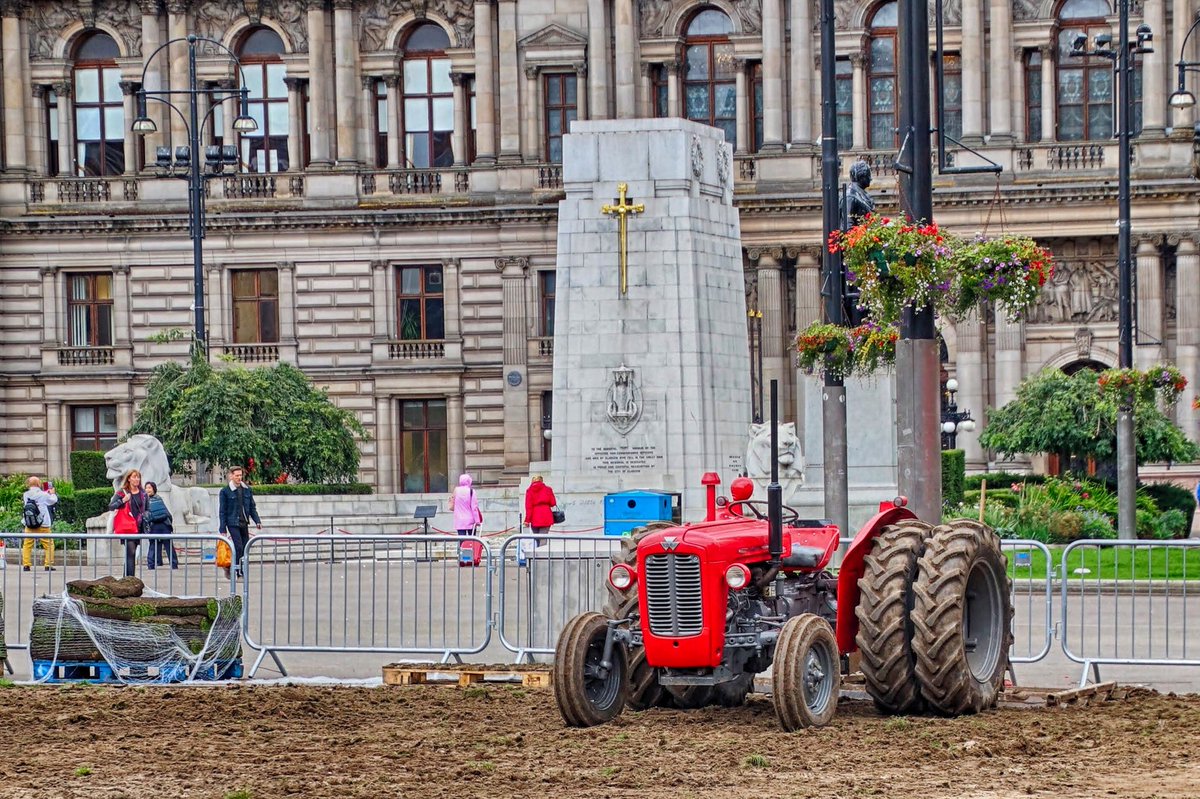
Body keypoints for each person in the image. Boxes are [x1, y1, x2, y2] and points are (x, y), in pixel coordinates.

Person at [218, 466, 262, 579]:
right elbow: (222, 511)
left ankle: (241, 570)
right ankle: (235, 570)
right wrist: (222, 528)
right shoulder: (225, 492)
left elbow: (252, 507)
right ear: (231, 476)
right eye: (236, 475)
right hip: (232, 522)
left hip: (244, 522)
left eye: (240, 475)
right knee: (238, 546)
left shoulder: (247, 489)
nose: (239, 477)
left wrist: (257, 521)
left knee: (245, 546)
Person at [108, 469, 147, 577]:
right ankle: (130, 579)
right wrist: (123, 500)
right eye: (134, 477)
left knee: (131, 554)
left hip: (138, 527)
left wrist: (147, 517)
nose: (136, 479)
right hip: (126, 527)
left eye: (138, 477)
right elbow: (111, 506)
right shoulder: (122, 492)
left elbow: (147, 509)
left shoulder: (143, 493)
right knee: (131, 552)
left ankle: (126, 578)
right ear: (129, 479)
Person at [21, 476, 57, 572]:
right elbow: (52, 501)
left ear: (29, 484)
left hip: (30, 523)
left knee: (27, 545)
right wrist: (52, 493)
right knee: (48, 544)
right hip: (43, 524)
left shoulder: (26, 495)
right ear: (38, 484)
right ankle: (48, 565)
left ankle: (26, 565)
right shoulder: (43, 495)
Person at [144, 482, 178, 570]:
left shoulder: (145, 500)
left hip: (156, 525)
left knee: (153, 545)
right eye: (146, 488)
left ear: (154, 489)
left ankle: (151, 564)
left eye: (149, 488)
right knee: (168, 545)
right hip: (164, 525)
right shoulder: (159, 498)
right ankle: (173, 564)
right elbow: (167, 513)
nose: (148, 490)